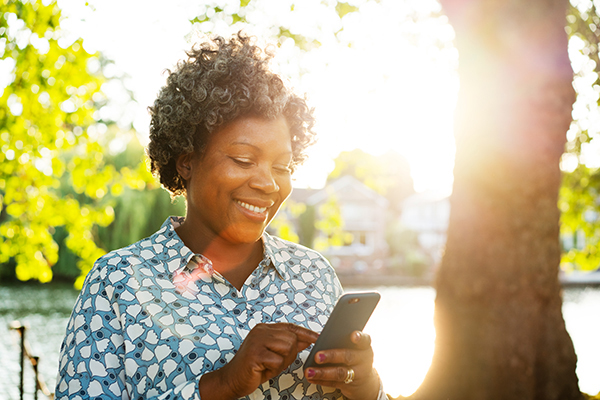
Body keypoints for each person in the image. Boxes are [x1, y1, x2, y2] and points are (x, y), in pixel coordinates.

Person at [55, 32, 386, 400]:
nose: (268, 184)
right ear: (186, 160)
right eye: (244, 160)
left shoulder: (314, 275)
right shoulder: (119, 283)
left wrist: (365, 383)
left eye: (282, 166)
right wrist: (222, 384)